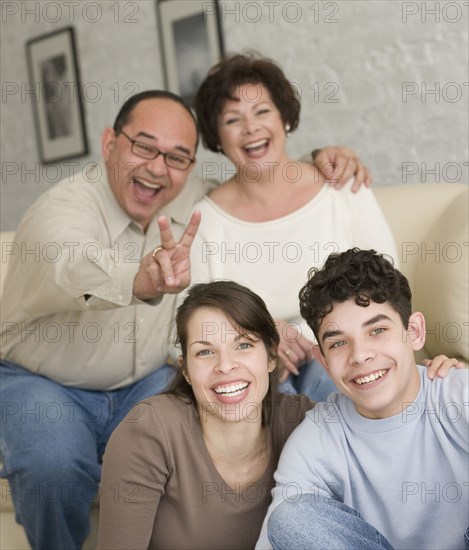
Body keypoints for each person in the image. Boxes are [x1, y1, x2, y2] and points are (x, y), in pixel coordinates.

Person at [0, 87, 369, 549]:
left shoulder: (189, 197)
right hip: (42, 379)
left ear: (191, 166)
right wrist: (140, 280)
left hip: (146, 380)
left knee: (210, 423)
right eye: (143, 147)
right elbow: (68, 264)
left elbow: (254, 182)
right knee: (52, 463)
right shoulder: (60, 212)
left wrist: (320, 160)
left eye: (177, 157)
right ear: (109, 142)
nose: (158, 168)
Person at [189, 53, 397, 401]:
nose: (251, 127)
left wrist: (309, 335)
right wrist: (263, 338)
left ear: (284, 118)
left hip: (344, 350)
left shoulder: (340, 185)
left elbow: (388, 283)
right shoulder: (205, 220)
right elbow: (194, 321)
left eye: (262, 111)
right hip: (256, 368)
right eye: (232, 119)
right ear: (217, 138)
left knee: (327, 380)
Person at [256, 249, 469, 550]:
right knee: (291, 519)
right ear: (324, 360)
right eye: (339, 343)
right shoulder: (318, 436)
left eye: (377, 330)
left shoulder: (458, 394)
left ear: (415, 332)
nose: (360, 355)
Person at [97, 280, 314, 549]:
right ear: (185, 369)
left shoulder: (303, 421)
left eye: (243, 345)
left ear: (271, 356)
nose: (225, 365)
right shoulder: (148, 431)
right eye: (205, 351)